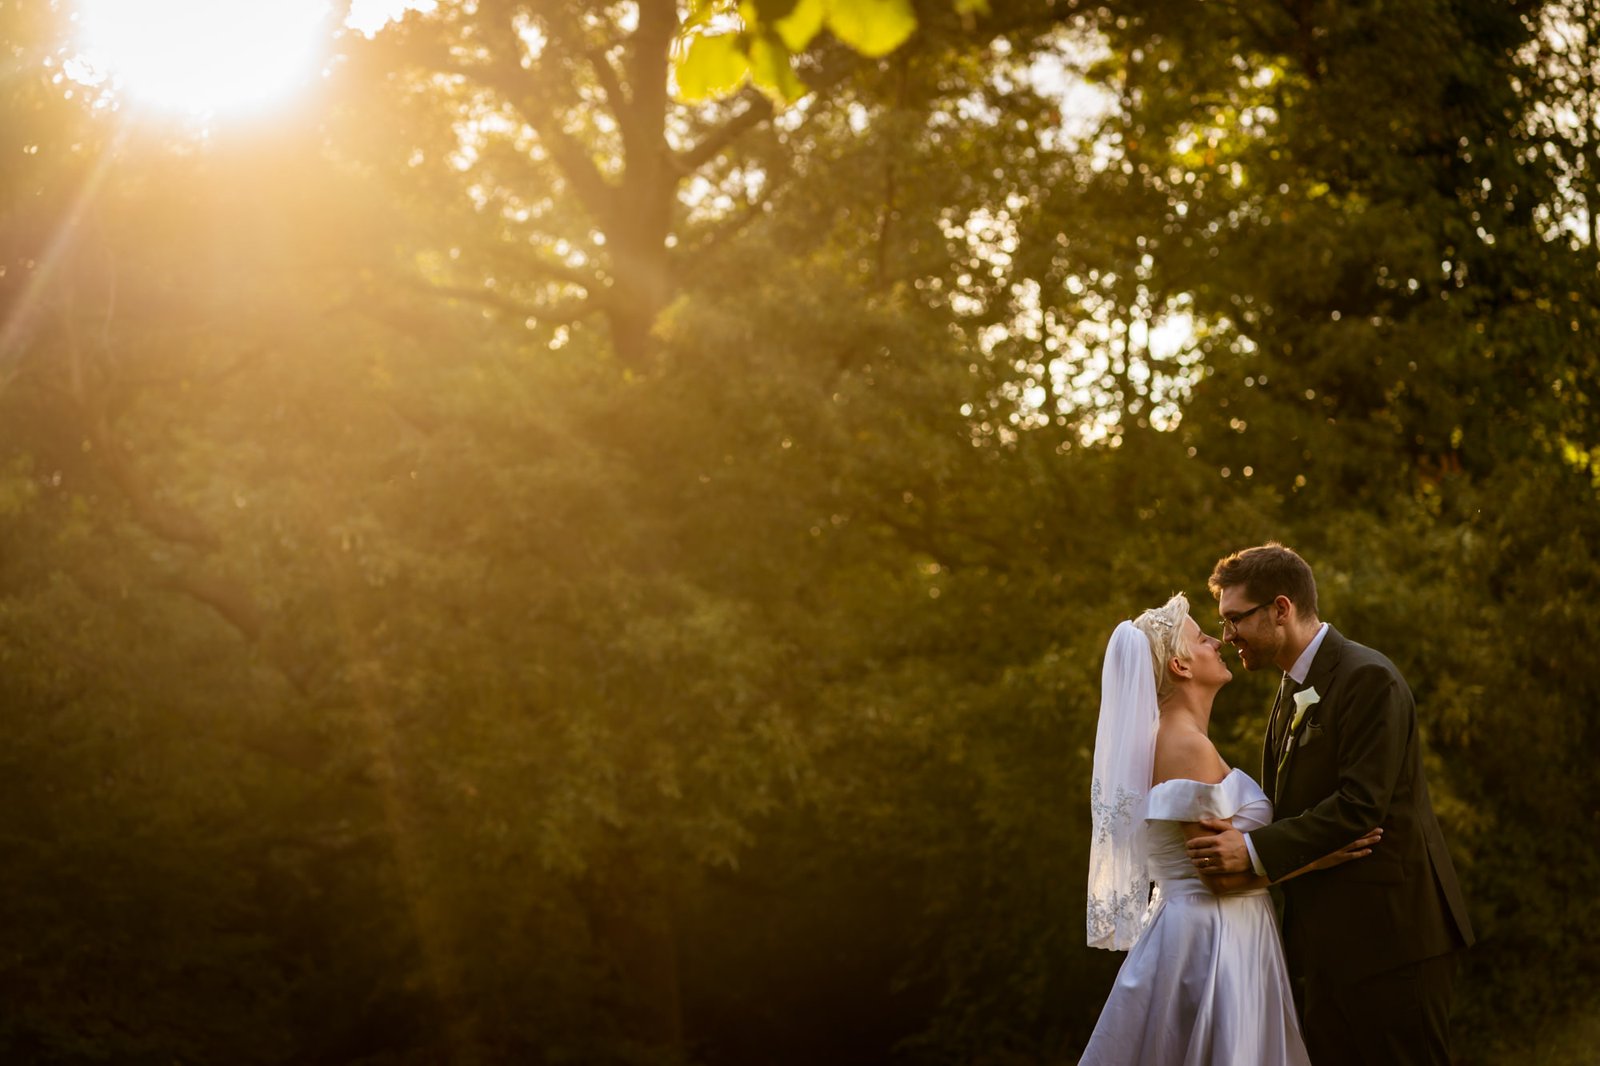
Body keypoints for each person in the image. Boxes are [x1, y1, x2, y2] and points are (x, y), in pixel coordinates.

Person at [1185, 544, 1474, 1065]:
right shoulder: (1291, 689)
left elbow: (1361, 806)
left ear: (1280, 608)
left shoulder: (1368, 677)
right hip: (1324, 954)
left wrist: (1250, 850)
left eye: (1234, 619)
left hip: (1391, 943)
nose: (1227, 637)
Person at [1081, 593, 1377, 1065]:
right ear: (1180, 665)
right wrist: (1322, 856)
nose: (1218, 643)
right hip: (1212, 940)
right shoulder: (1184, 746)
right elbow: (1219, 878)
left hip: (1217, 928)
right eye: (1202, 638)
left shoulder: (1183, 740)